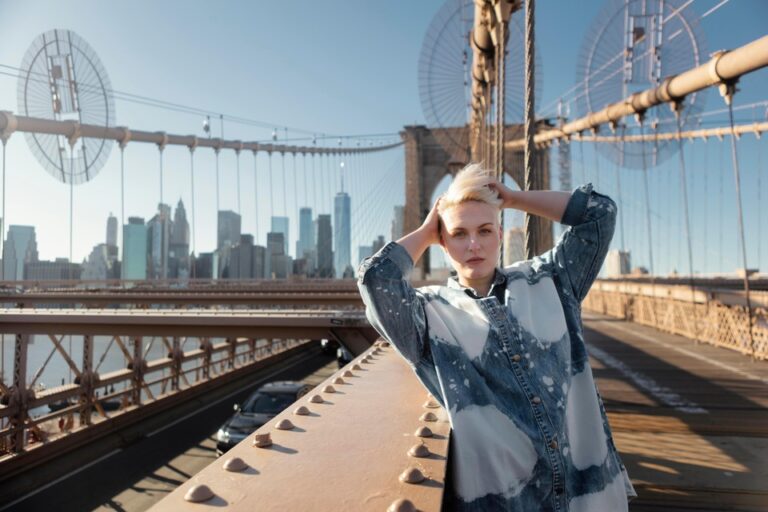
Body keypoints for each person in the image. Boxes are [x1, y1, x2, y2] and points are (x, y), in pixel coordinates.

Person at [357, 163, 636, 511]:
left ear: (501, 235)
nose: (474, 244)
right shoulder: (428, 315)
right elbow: (377, 280)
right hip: (508, 503)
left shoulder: (550, 280)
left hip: (585, 497)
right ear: (443, 243)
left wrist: (515, 198)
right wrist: (429, 230)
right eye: (459, 234)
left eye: (485, 230)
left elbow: (600, 213)